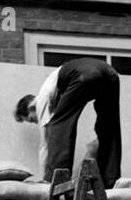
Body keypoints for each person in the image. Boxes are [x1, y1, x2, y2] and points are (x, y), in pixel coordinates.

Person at [15, 57, 122, 189]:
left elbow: (45, 144)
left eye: (32, 119)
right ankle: (110, 179)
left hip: (84, 74)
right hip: (110, 74)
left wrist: (44, 178)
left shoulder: (41, 99)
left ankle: (56, 180)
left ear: (31, 107)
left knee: (58, 127)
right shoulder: (54, 96)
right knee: (108, 127)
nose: (36, 122)